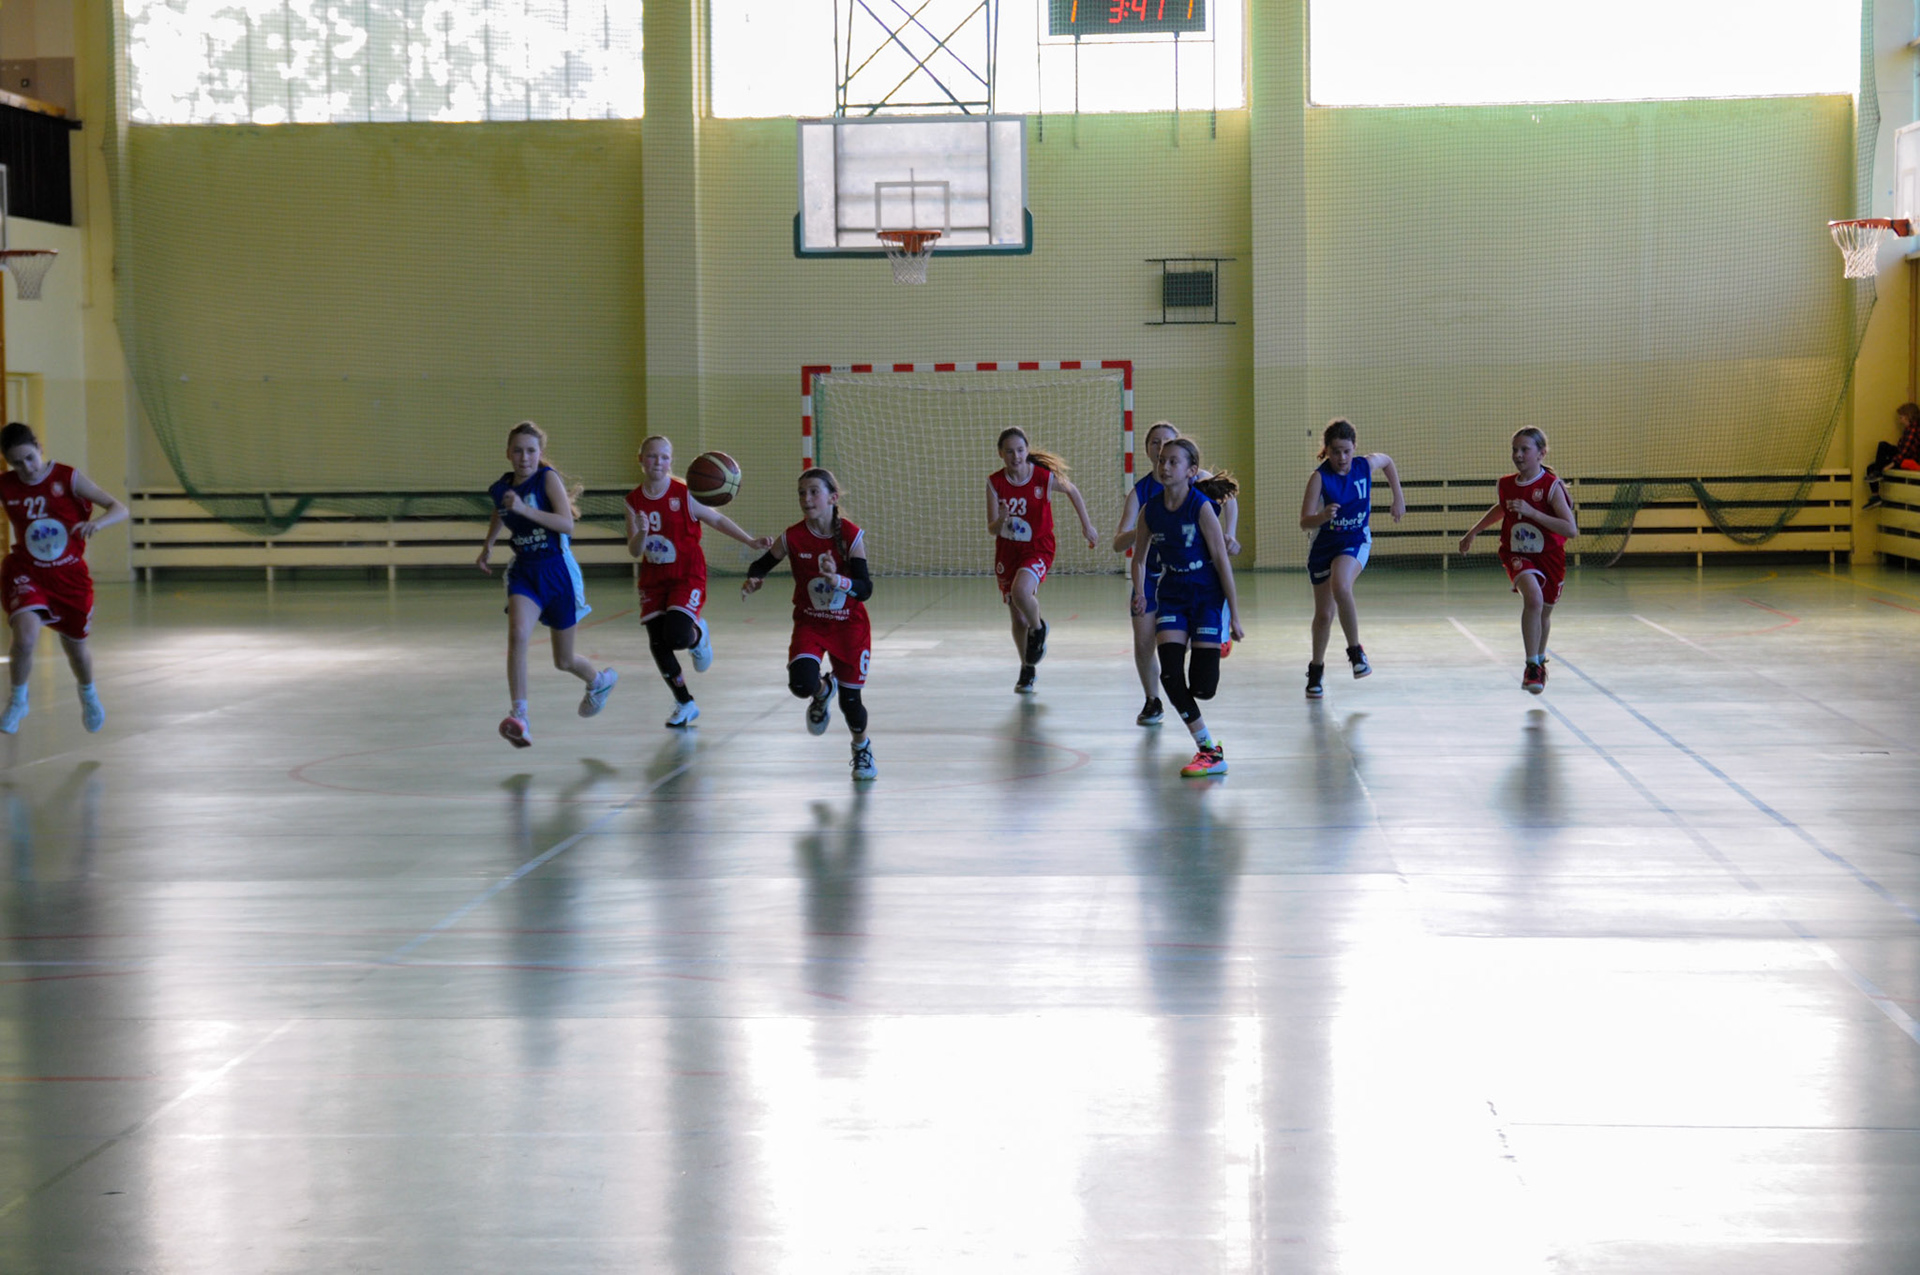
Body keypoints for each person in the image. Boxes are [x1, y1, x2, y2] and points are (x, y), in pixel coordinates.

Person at [475, 421, 616, 746]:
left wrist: (524, 509)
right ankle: (520, 716)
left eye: (530, 451)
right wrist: (488, 545)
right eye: (518, 451)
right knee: (517, 634)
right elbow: (499, 512)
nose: (524, 457)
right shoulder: (501, 488)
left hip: (558, 572)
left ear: (539, 453)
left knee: (563, 660)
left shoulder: (546, 479)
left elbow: (567, 524)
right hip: (525, 571)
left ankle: (599, 681)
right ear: (508, 454)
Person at [625, 435, 772, 728]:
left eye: (664, 457)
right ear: (641, 460)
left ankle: (698, 634)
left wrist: (750, 541)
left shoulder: (685, 492)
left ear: (671, 461)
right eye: (652, 456)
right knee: (658, 644)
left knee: (678, 636)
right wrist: (641, 532)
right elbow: (634, 550)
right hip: (654, 578)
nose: (658, 462)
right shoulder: (633, 501)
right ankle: (685, 703)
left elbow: (717, 520)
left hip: (686, 573)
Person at [741, 467, 878, 781]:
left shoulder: (851, 535)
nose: (806, 498)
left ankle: (861, 747)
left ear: (832, 497)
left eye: (814, 491)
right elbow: (761, 564)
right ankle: (822, 689)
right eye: (802, 493)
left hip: (849, 627)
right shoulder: (792, 536)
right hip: (811, 624)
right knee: (801, 683)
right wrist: (754, 579)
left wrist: (838, 580)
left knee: (851, 703)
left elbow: (865, 589)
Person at [0, 421, 129, 735]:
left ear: (40, 448)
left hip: (68, 576)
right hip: (27, 571)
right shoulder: (6, 485)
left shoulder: (67, 477)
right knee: (24, 637)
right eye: (17, 463)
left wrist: (97, 524)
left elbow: (119, 508)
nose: (26, 468)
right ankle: (18, 699)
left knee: (77, 651)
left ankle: (88, 693)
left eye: (30, 458)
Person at [1111, 421, 1241, 725]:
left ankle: (1212, 635)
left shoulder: (1196, 482)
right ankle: (1152, 700)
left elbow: (1229, 499)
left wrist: (1230, 534)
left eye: (1166, 442)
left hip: (1195, 576)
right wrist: (1147, 528)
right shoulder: (1142, 495)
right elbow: (1119, 543)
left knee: (1202, 680)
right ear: (1149, 452)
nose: (1160, 449)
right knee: (1145, 641)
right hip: (1154, 575)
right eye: (1154, 444)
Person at [1131, 437, 1244, 777]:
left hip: (1206, 593)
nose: (1164, 466)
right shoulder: (1150, 510)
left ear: (1191, 471)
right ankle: (1208, 748)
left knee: (1203, 688)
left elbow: (1222, 562)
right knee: (1170, 675)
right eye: (1161, 460)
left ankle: (1217, 635)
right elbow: (1138, 559)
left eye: (1173, 462)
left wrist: (1235, 615)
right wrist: (1140, 592)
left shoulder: (1201, 507)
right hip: (1173, 594)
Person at [1457, 427, 1579, 694]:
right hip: (1517, 553)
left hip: (1549, 557)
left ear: (1541, 453)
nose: (1518, 455)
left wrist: (1533, 512)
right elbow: (1501, 508)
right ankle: (1531, 664)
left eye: (1525, 449)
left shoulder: (1551, 486)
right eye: (1515, 449)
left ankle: (1539, 661)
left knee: (1544, 612)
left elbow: (1570, 530)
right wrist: (1473, 531)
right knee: (1533, 599)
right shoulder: (1506, 484)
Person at [988, 426, 1098, 694]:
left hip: (1038, 548)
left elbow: (1072, 490)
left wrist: (1087, 525)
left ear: (1027, 450)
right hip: (1008, 552)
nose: (1016, 456)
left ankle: (1039, 628)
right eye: (1010, 451)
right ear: (1001, 454)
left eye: (1020, 450)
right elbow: (992, 528)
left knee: (1021, 591)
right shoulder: (994, 482)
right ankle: (1027, 667)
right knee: (1017, 617)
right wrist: (1001, 518)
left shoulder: (1041, 477)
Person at [1298, 418, 1403, 699]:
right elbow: (1305, 522)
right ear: (1327, 451)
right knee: (1324, 614)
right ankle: (1316, 669)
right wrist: (1322, 516)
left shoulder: (1364, 465)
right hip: (1323, 547)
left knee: (1341, 585)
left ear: (1354, 448)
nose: (1342, 458)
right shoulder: (1319, 478)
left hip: (1355, 541)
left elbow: (1387, 461)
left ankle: (1356, 652)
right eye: (1336, 452)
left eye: (1346, 451)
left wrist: (1398, 497)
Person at [1864, 401, 1920, 509]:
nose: (1900, 420)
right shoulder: (1908, 429)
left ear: (1908, 416)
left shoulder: (1913, 430)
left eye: (1901, 417)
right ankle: (1875, 496)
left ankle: (1877, 473)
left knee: (1883, 445)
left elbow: (1904, 452)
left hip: (1906, 461)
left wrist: (1891, 464)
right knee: (1870, 468)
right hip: (1901, 458)